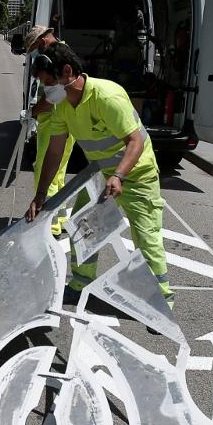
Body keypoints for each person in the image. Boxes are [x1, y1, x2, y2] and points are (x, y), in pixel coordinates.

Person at [25, 42, 173, 308]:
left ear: (67, 72)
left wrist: (118, 175)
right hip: (99, 175)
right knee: (83, 228)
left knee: (146, 237)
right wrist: (40, 193)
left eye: (48, 83)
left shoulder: (107, 97)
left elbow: (135, 141)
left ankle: (161, 298)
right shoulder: (62, 107)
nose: (47, 92)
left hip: (137, 174)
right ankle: (81, 283)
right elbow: (54, 151)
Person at [23, 25, 75, 236]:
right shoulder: (64, 51)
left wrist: (33, 112)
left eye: (35, 48)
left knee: (46, 171)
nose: (36, 52)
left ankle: (49, 223)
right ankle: (59, 218)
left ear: (42, 41)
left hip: (55, 124)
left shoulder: (56, 57)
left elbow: (53, 95)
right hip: (62, 122)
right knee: (59, 173)